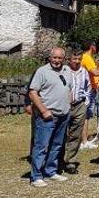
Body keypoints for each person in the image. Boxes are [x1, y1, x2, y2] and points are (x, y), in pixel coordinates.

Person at [28, 47, 72, 187]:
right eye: (54, 57)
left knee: (57, 145)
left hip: (63, 115)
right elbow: (33, 92)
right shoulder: (42, 71)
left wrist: (68, 105)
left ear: (63, 59)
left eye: (60, 58)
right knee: (41, 146)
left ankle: (51, 171)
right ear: (50, 57)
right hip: (47, 116)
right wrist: (44, 110)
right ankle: (36, 176)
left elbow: (68, 88)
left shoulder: (67, 70)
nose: (57, 60)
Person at [62, 49, 91, 175]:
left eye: (79, 59)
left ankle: (70, 161)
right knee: (61, 134)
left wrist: (86, 100)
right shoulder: (63, 71)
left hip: (79, 106)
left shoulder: (83, 71)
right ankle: (57, 160)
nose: (77, 61)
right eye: (75, 59)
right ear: (69, 60)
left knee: (75, 134)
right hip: (64, 106)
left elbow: (88, 86)